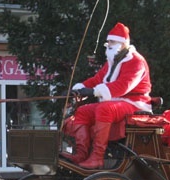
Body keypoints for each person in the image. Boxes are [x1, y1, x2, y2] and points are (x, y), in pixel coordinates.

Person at [61, 22, 152, 169]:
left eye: (112, 41)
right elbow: (97, 79)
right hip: (116, 102)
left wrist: (94, 92)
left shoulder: (136, 61)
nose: (108, 44)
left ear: (122, 43)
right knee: (83, 111)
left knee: (104, 109)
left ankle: (97, 157)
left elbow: (123, 86)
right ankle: (82, 154)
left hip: (135, 104)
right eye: (108, 41)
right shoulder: (112, 61)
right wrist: (80, 88)